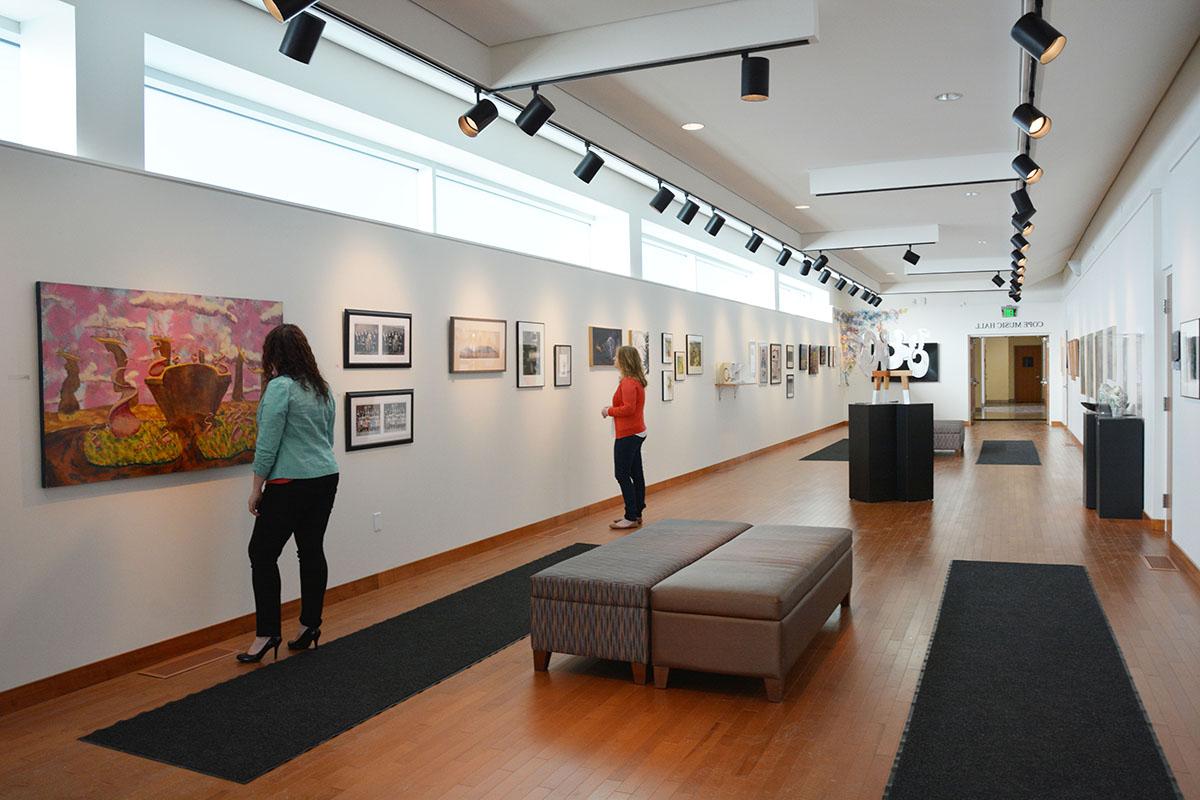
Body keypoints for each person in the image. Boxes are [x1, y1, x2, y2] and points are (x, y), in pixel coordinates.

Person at [239, 324, 340, 664]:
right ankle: (310, 625)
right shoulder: (320, 388)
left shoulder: (280, 388)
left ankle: (267, 634)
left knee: (262, 553)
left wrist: (256, 489)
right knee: (310, 550)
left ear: (272, 355)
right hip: (325, 476)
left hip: (289, 482)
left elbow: (267, 444)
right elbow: (327, 438)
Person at [602, 345, 648, 530]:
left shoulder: (628, 382)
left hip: (629, 433)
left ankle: (630, 515)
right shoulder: (635, 381)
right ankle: (636, 512)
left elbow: (628, 408)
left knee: (621, 474)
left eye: (616, 356)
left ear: (624, 360)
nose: (614, 358)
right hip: (636, 431)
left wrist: (608, 411)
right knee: (636, 473)